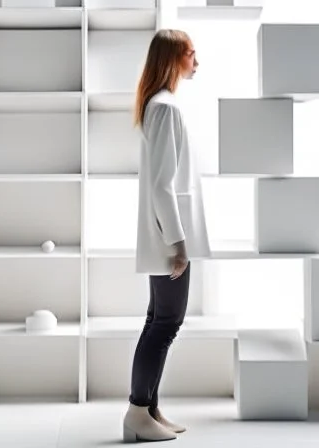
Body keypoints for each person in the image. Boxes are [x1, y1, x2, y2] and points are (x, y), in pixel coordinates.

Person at [122, 28, 212, 443]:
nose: (197, 61)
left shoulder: (158, 105)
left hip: (165, 236)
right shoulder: (165, 108)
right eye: (192, 53)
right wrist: (178, 245)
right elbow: (163, 185)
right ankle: (138, 413)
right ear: (175, 58)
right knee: (165, 324)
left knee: (158, 321)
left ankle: (149, 409)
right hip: (168, 239)